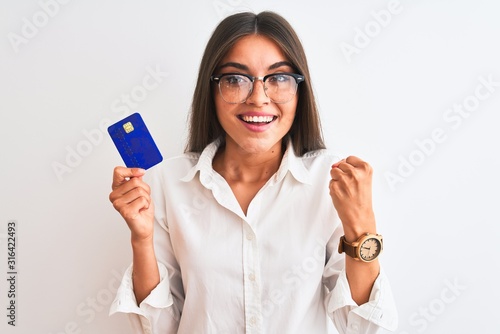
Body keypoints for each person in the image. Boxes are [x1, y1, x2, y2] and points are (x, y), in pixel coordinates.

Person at [108, 11, 397, 334]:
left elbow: (364, 329)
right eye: (234, 79)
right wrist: (141, 239)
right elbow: (158, 328)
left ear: (300, 91)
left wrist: (361, 227)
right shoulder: (168, 183)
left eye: (279, 78)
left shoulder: (328, 182)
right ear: (212, 90)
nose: (259, 99)